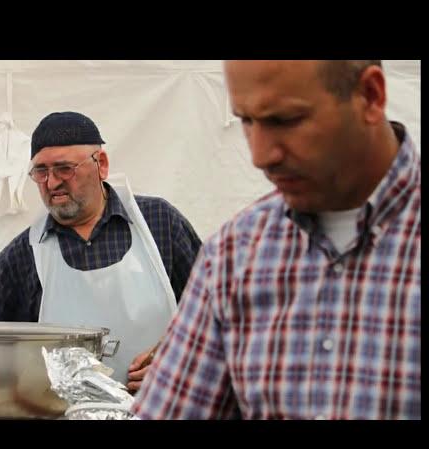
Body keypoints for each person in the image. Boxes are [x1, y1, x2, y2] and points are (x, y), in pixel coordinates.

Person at [132, 60, 420, 420]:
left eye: (285, 120)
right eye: (247, 122)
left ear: (370, 96)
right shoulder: (235, 254)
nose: (260, 156)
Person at [0, 111, 203, 391]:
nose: (52, 183)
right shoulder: (25, 255)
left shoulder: (160, 224)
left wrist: (181, 363)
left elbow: (219, 318)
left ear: (102, 164)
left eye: (64, 168)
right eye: (41, 172)